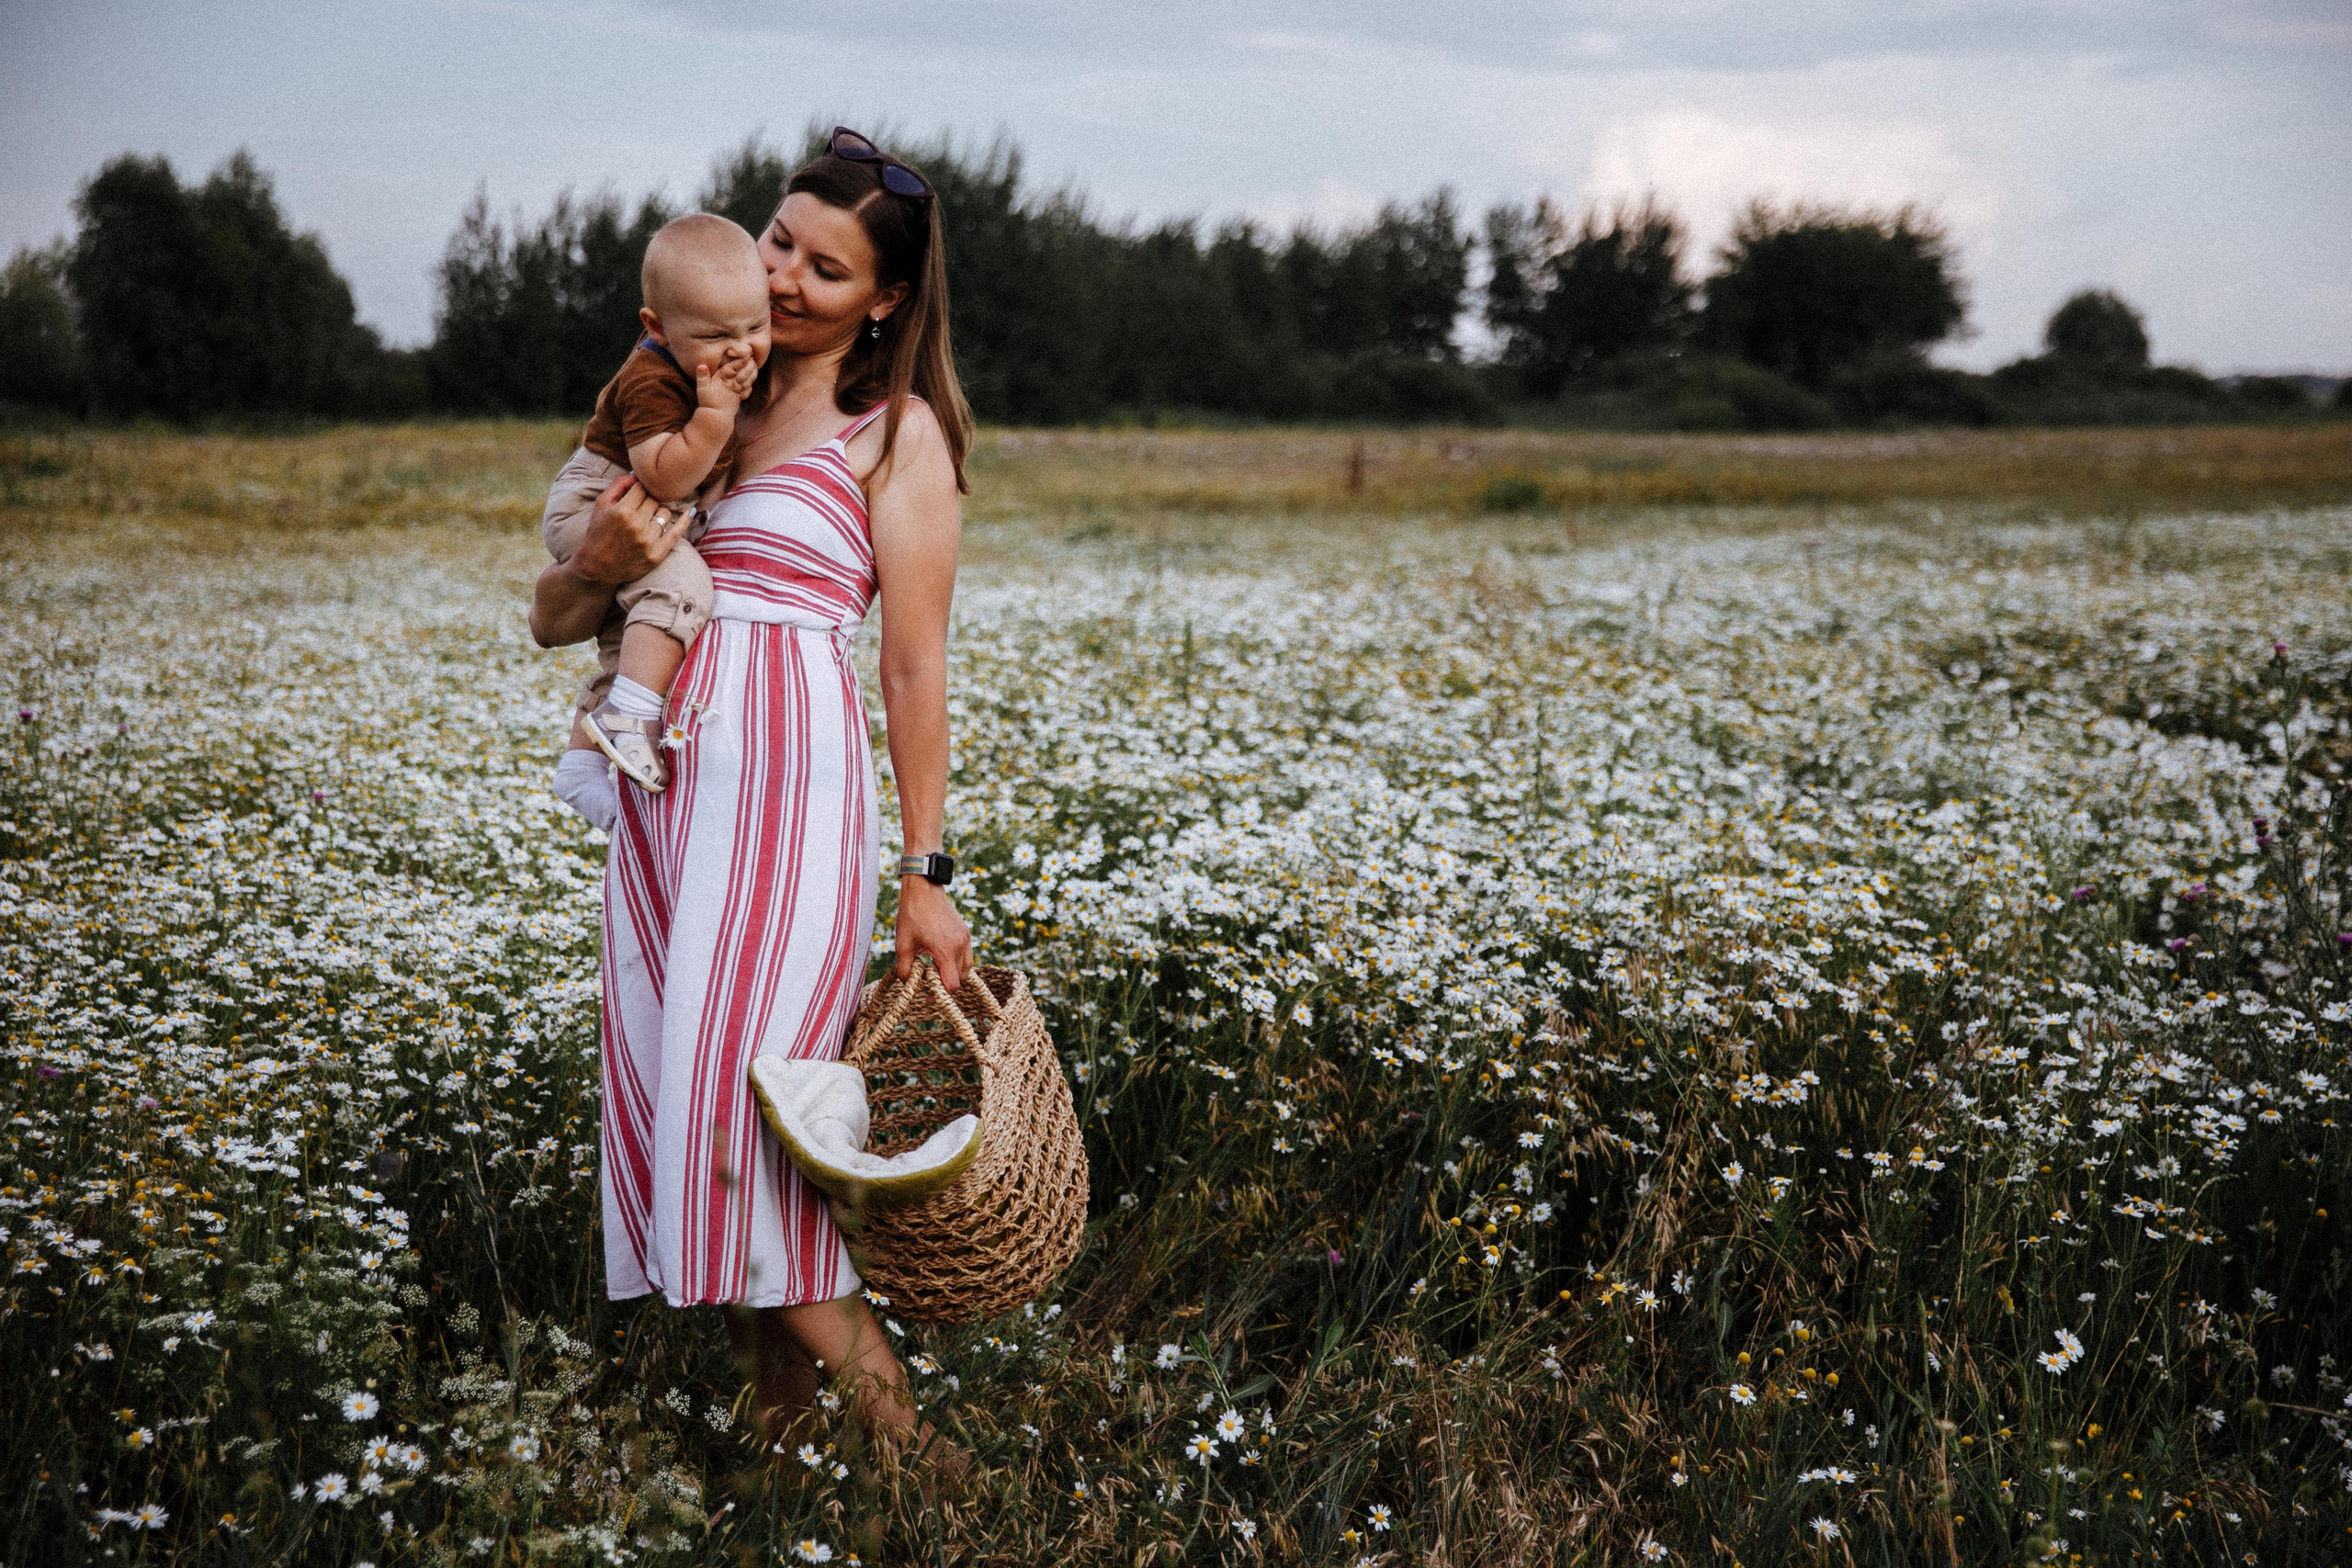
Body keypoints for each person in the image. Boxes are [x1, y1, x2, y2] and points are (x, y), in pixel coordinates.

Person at [528, 129, 974, 1450]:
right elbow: (558, 609)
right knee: (682, 1119)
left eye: (823, 269)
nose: (781, 277)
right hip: (666, 798)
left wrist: (926, 868)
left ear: (883, 299)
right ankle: (778, 1467)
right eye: (780, 240)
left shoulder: (896, 437)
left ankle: (930, 1471)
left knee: (747, 1139)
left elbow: (911, 662)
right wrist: (603, 551)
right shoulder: (681, 385)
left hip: (787, 800)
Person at [545, 213, 768, 815]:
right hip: (600, 500)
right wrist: (717, 413)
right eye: (718, 336)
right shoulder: (651, 376)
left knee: (631, 634)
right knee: (684, 586)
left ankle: (579, 765)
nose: (742, 349)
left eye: (757, 325)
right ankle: (628, 718)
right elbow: (663, 473)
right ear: (657, 327)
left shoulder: (712, 362)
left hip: (637, 502)